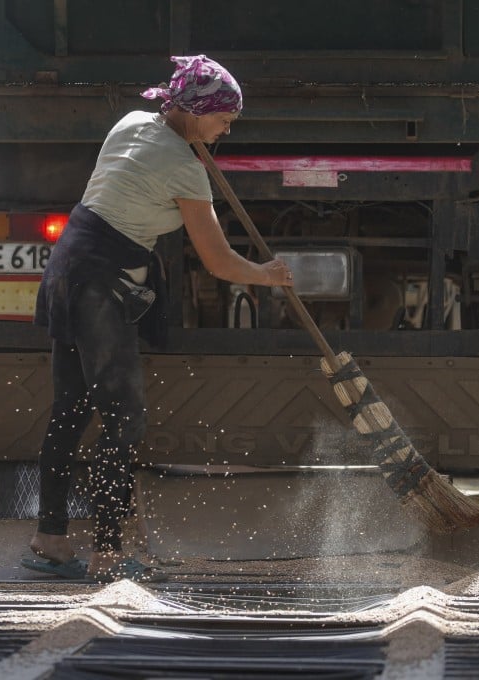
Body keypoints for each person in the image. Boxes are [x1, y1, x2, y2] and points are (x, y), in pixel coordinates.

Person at [22, 55, 294, 583]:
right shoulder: (185, 169)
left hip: (68, 268)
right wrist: (269, 275)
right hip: (100, 284)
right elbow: (217, 262)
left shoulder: (132, 123)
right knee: (124, 420)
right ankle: (107, 552)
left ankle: (50, 540)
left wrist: (191, 145)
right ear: (195, 112)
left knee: (72, 409)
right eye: (224, 118)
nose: (228, 128)